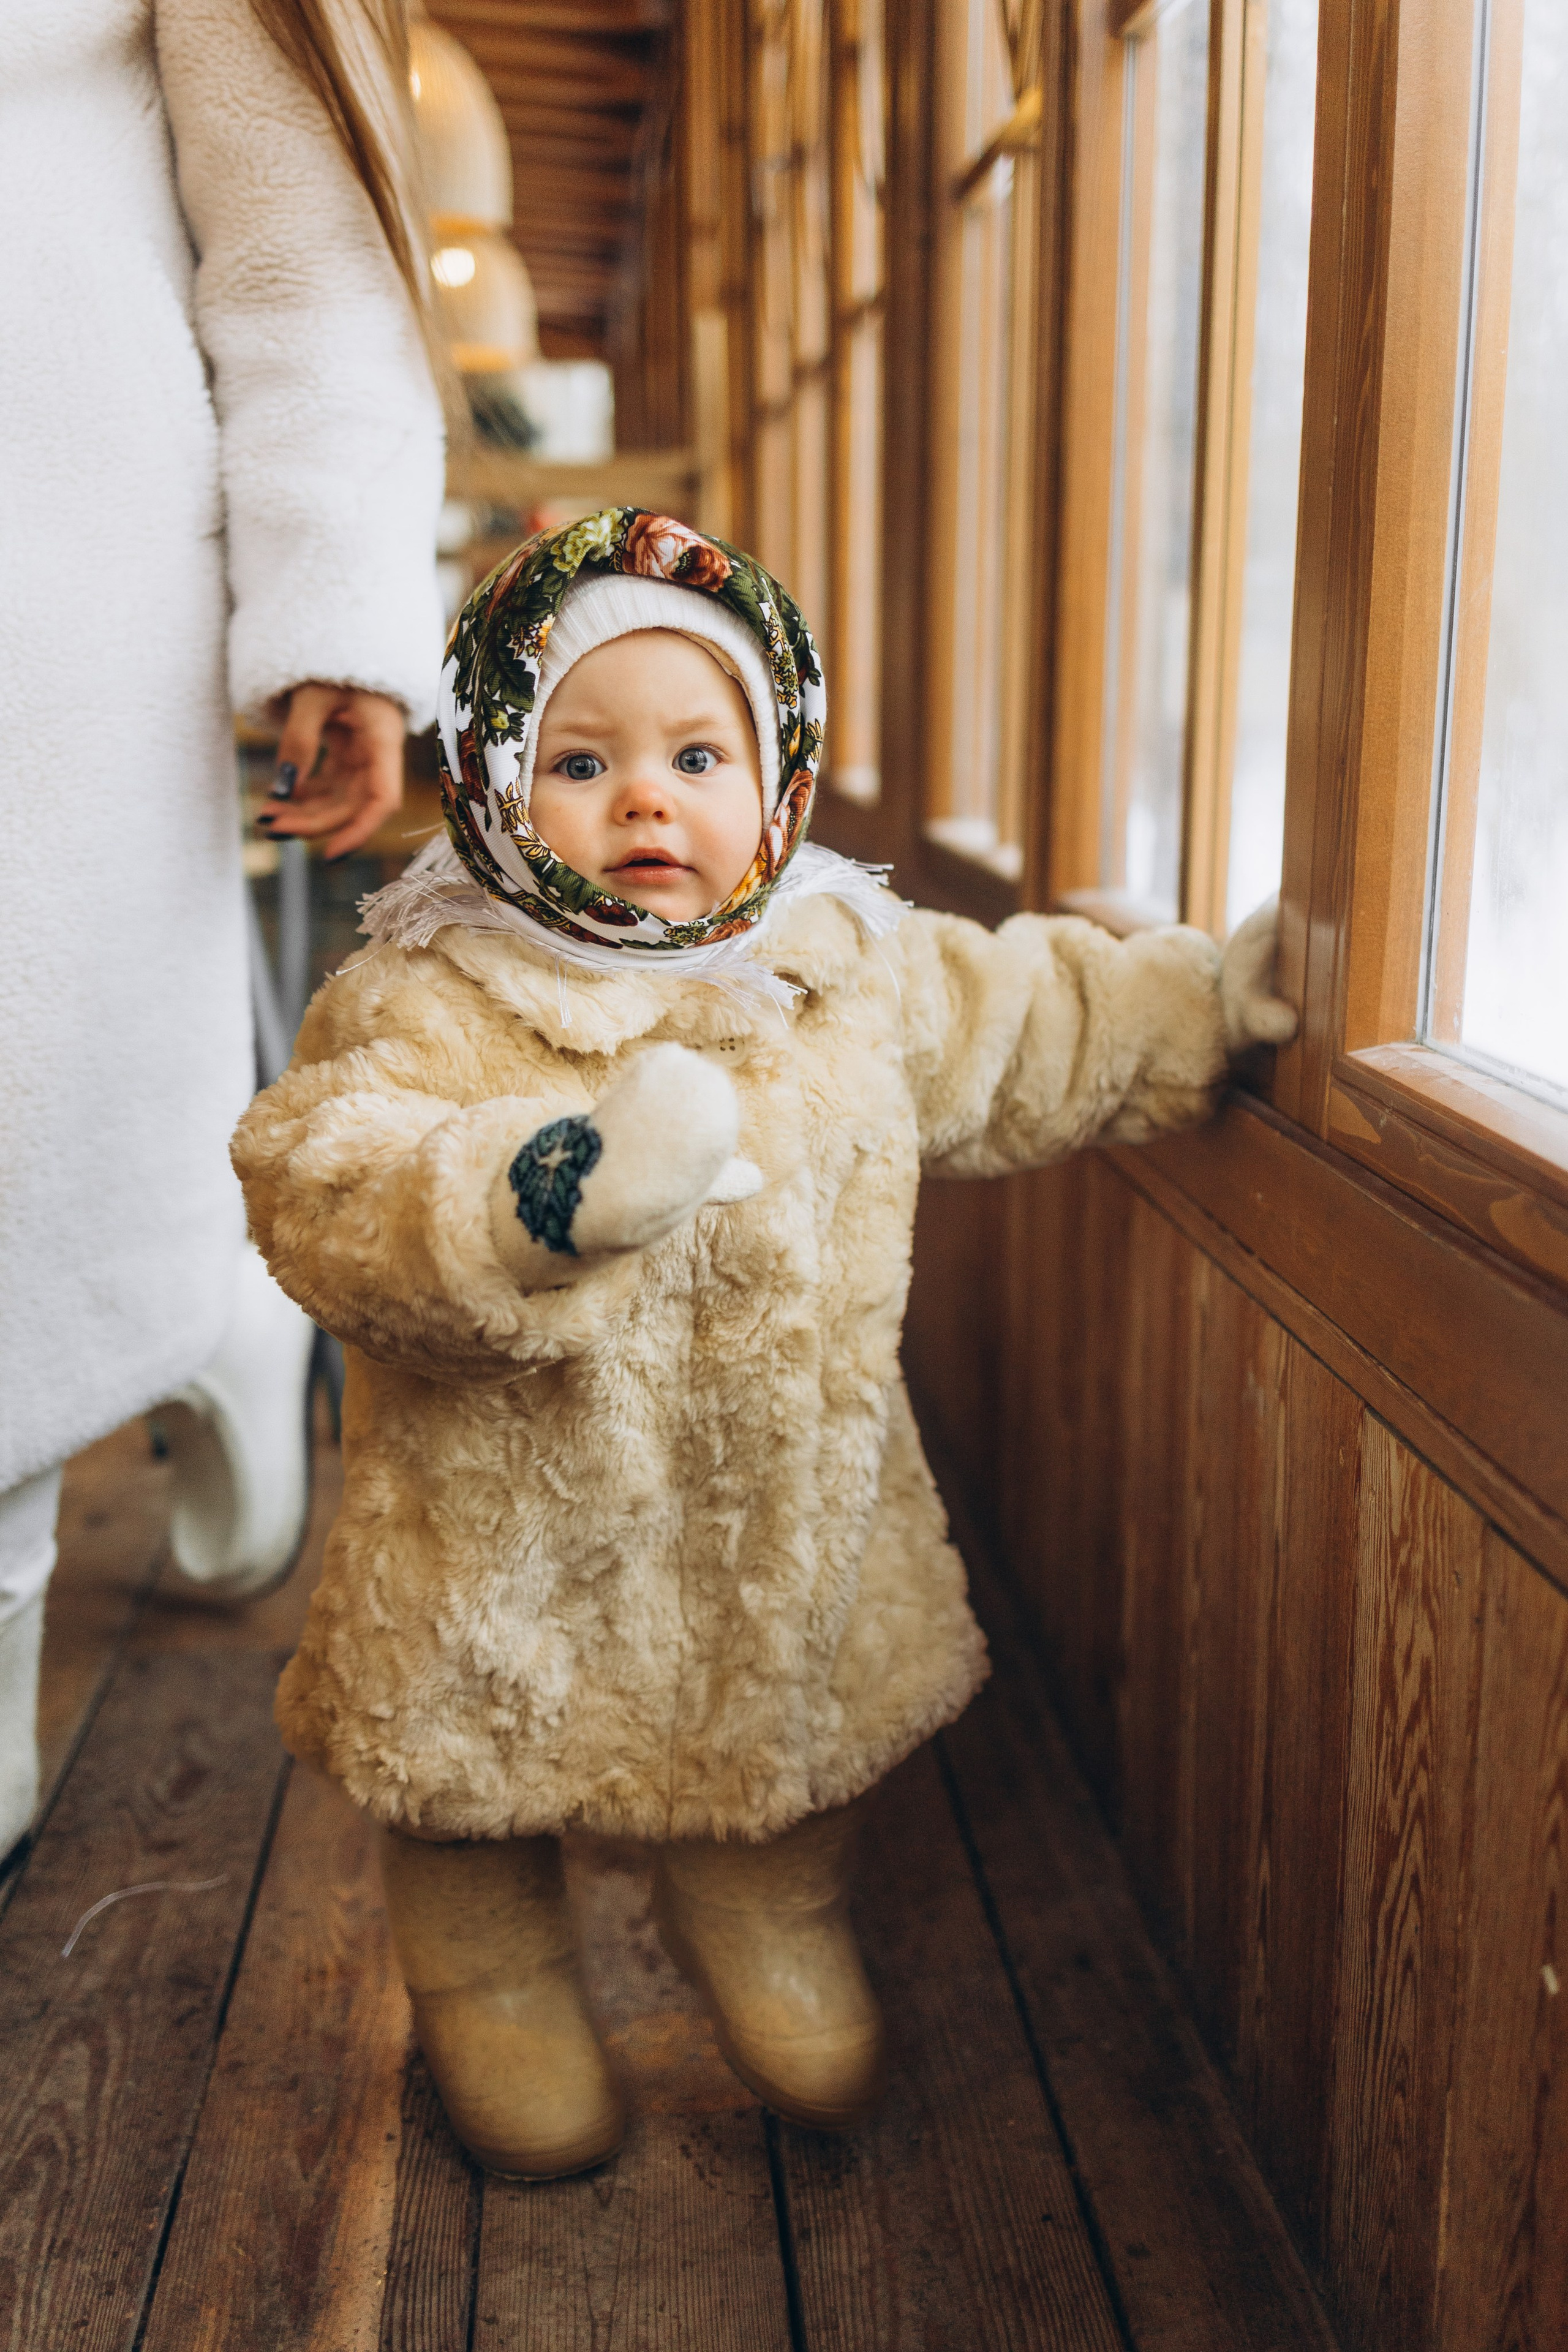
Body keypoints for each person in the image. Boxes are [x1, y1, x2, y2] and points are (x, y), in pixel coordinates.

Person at [232, 509, 1296, 2180]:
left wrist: (1208, 1005)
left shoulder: (843, 963)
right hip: (494, 1534)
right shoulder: (427, 990)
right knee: (468, 1777)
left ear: (776, 773)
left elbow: (1025, 1023)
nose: (646, 801)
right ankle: (488, 1978)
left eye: (696, 755)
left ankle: (769, 1922)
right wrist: (541, 1192)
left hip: (766, 1513)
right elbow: (325, 1180)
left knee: (770, 1753)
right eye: (580, 760)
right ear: (493, 778)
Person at [0, 0, 446, 1860]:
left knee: (28, 1106)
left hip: (53, 584)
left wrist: (339, 606)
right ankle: (220, 1313)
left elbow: (297, 242)